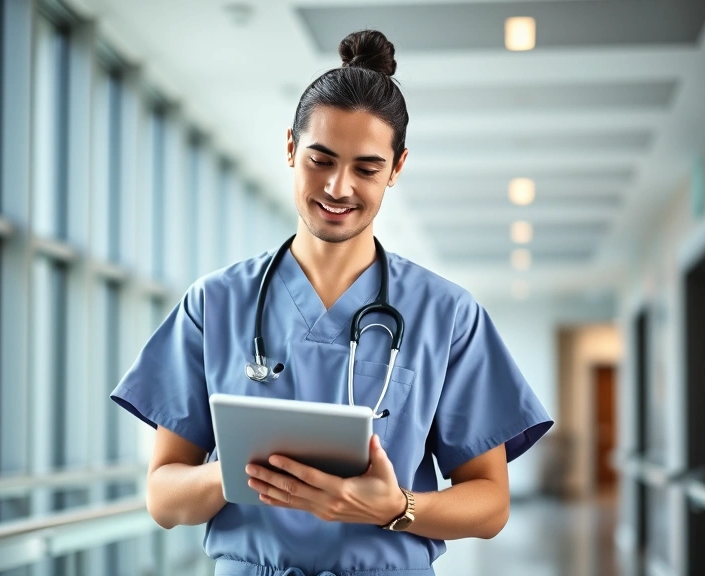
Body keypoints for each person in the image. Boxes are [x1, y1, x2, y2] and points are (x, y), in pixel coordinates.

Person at [111, 28, 553, 576]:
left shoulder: (448, 315)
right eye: (320, 160)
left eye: (366, 168)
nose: (339, 187)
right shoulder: (214, 303)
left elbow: (490, 503)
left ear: (397, 168)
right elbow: (163, 497)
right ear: (290, 148)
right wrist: (246, 471)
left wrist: (396, 507)